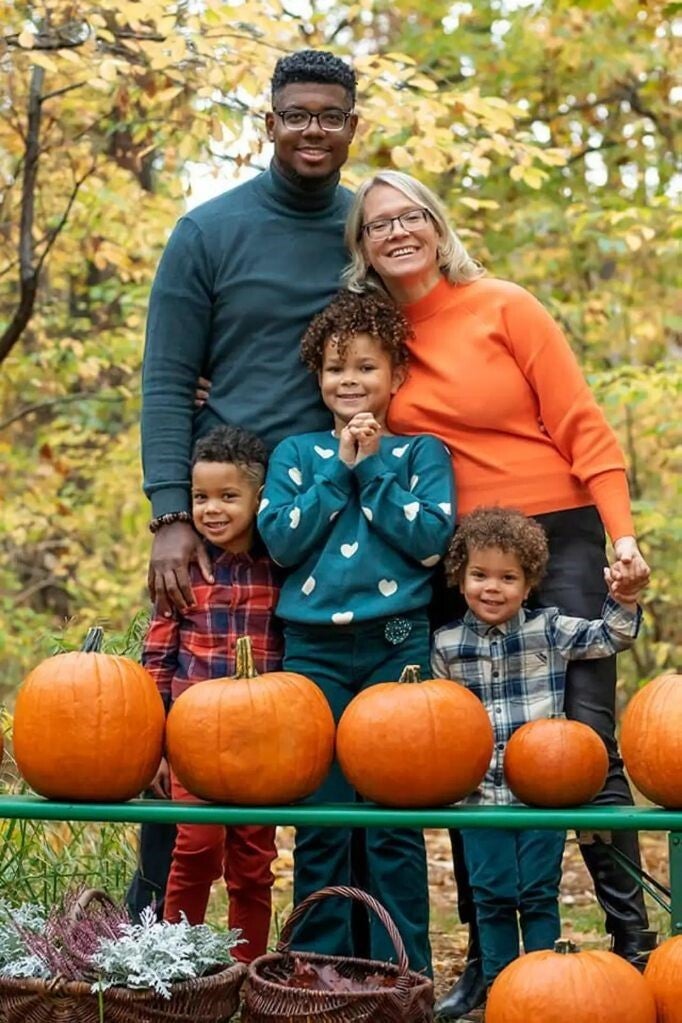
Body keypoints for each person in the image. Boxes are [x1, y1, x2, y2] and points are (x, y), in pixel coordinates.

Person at [343, 170, 654, 1017]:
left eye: (412, 216)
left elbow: (584, 422)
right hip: (454, 555)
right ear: (363, 249)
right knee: (459, 748)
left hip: (560, 532)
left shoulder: (503, 305)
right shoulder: (376, 340)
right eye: (379, 225)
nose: (398, 232)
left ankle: (637, 950)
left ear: (438, 229)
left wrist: (622, 537)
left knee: (581, 745)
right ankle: (487, 965)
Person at [132, 49, 359, 920]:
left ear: (351, 124)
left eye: (329, 115)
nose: (313, 130)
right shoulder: (208, 231)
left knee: (311, 732)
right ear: (269, 122)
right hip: (218, 523)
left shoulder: (363, 232)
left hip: (329, 525)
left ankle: (314, 945)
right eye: (296, 114)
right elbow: (166, 376)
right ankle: (154, 945)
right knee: (180, 725)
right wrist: (170, 512)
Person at [257, 289, 455, 975]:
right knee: (325, 818)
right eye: (336, 367)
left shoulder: (421, 454)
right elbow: (282, 541)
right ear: (318, 375)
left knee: (393, 822)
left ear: (396, 374)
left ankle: (402, 976)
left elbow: (430, 540)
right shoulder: (295, 453)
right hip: (312, 651)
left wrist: (371, 465)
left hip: (395, 647)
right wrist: (338, 470)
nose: (350, 381)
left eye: (366, 367)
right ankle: (321, 974)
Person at [431, 506, 643, 991]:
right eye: (480, 575)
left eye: (509, 578)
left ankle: (543, 986)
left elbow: (611, 636)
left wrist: (624, 598)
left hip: (540, 793)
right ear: (460, 577)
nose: (492, 587)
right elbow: (435, 722)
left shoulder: (548, 628)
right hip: (481, 798)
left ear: (528, 586)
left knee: (539, 892)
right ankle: (501, 984)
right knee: (491, 894)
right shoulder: (446, 644)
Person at [141, 424, 281, 962]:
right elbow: (156, 660)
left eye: (228, 496)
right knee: (195, 847)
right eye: (201, 497)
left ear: (257, 499)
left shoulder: (278, 569)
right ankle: (182, 964)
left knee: (252, 860)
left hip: (260, 743)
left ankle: (246, 970)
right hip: (192, 740)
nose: (212, 509)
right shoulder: (183, 574)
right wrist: (152, 742)